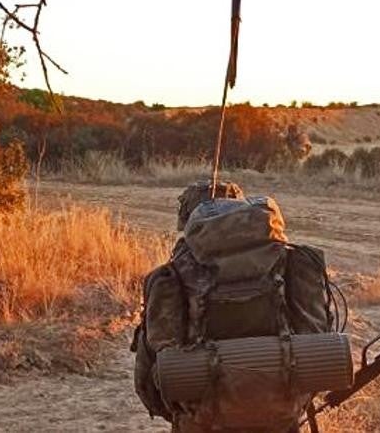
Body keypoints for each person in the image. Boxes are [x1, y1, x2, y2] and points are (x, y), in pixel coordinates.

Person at [135, 184, 335, 433]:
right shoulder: (293, 261)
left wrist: (185, 413)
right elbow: (316, 349)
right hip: (280, 416)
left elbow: (150, 380)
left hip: (201, 422)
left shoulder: (171, 276)